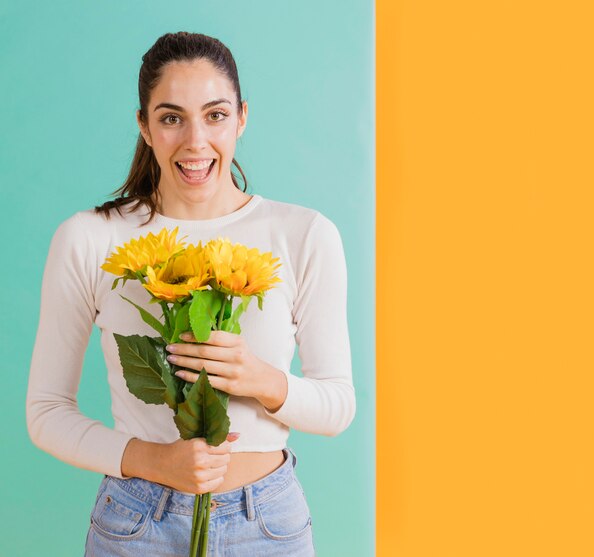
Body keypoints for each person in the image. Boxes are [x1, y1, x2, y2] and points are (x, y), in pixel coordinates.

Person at [25, 31, 355, 556]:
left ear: (242, 117)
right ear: (144, 125)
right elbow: (45, 412)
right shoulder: (90, 238)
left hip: (268, 527)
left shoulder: (303, 234)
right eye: (172, 117)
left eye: (216, 115)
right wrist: (152, 460)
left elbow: (338, 406)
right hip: (136, 523)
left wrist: (261, 380)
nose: (195, 141)